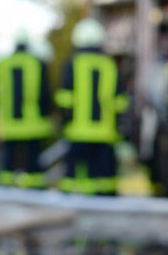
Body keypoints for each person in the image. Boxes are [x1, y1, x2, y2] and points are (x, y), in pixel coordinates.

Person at [55, 18, 128, 196]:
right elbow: (121, 102)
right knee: (105, 183)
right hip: (105, 135)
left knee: (73, 182)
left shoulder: (72, 64)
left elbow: (63, 99)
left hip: (78, 134)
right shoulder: (109, 65)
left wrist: (66, 122)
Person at [0, 30, 53, 188]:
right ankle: (34, 191)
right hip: (32, 124)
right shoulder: (37, 63)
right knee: (33, 164)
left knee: (8, 163)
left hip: (9, 124)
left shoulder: (3, 63)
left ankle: (6, 191)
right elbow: (45, 94)